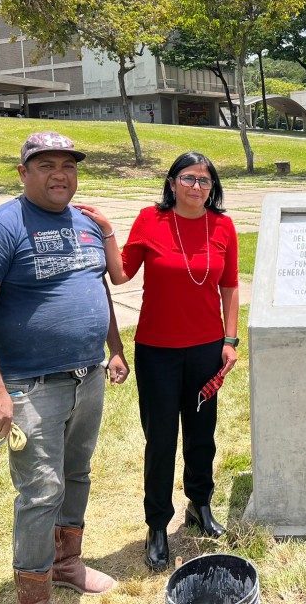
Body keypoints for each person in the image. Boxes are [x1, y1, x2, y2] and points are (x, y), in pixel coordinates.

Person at [0, 132, 130, 604]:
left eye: (68, 165)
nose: (60, 174)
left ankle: (67, 562)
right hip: (31, 386)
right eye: (46, 164)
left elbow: (99, 288)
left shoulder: (87, 224)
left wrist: (114, 346)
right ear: (23, 172)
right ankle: (34, 591)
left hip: (88, 375)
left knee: (77, 472)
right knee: (40, 490)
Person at [76, 151, 239, 572]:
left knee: (203, 434)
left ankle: (199, 506)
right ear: (171, 183)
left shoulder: (222, 226)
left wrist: (230, 339)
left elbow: (230, 286)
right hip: (157, 352)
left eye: (205, 180)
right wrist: (109, 232)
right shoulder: (151, 220)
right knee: (161, 440)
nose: (196, 187)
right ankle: (157, 525)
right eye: (188, 178)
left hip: (206, 351)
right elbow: (120, 275)